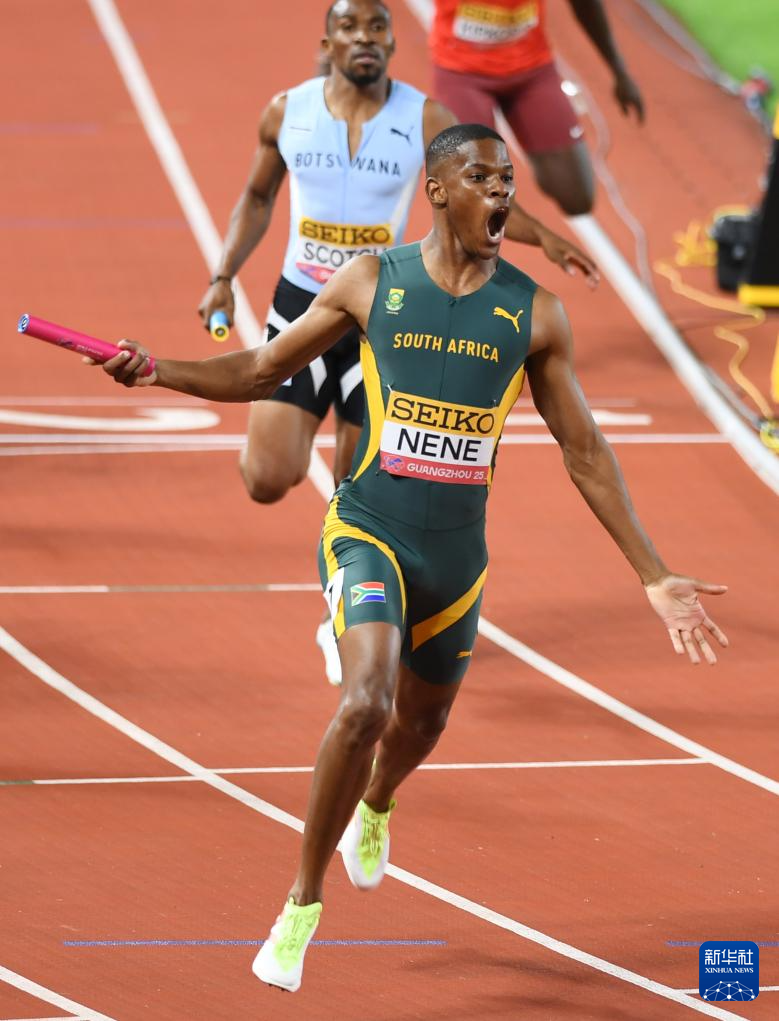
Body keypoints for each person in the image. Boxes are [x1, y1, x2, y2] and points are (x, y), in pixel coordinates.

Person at [96, 123, 727, 994]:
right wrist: (157, 369)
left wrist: (651, 572)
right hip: (368, 528)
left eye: (506, 180)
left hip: (455, 564)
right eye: (481, 178)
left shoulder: (533, 313)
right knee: (364, 700)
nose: (500, 193)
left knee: (418, 728)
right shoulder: (371, 282)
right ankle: (300, 905)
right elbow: (262, 371)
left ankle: (378, 800)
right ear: (436, 190)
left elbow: (583, 449)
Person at [198, 0, 598, 682]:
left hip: (377, 315)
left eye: (377, 28)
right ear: (328, 42)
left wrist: (547, 239)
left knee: (359, 481)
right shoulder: (287, 111)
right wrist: (222, 275)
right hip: (304, 302)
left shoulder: (423, 117)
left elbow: (483, 189)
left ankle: (347, 610)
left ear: (391, 42)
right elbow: (258, 197)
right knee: (267, 477)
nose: (365, 38)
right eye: (350, 28)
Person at [429, 0, 645, 214]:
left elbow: (585, 4)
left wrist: (620, 72)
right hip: (462, 72)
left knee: (578, 198)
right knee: (472, 201)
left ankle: (535, 146)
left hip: (531, 69)